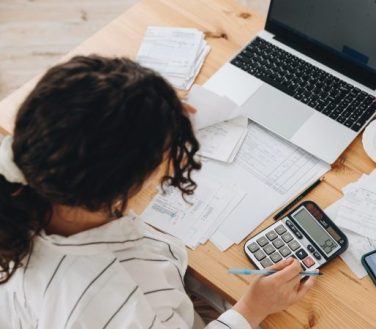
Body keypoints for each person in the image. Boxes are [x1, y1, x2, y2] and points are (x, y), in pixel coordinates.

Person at [0, 56, 316, 329]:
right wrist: (251, 309)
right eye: (166, 152)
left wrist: (155, 105)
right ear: (120, 185)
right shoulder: (104, 302)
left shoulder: (32, 189)